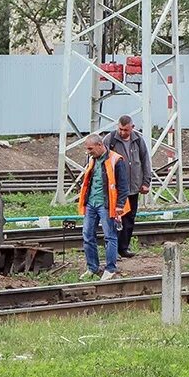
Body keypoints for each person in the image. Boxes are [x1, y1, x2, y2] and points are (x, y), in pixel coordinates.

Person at [77, 133, 131, 281]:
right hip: (91, 204)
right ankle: (92, 267)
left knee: (110, 236)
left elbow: (123, 186)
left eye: (90, 148)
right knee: (87, 235)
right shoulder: (91, 159)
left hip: (107, 205)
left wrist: (120, 205)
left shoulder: (116, 160)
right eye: (87, 149)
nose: (88, 151)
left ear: (100, 145)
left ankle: (110, 268)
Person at [104, 115, 151, 258]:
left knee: (129, 219)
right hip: (115, 188)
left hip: (133, 187)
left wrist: (146, 182)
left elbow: (145, 161)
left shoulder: (137, 140)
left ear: (132, 127)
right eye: (120, 129)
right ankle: (113, 249)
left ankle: (124, 248)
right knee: (115, 218)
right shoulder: (110, 139)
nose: (123, 132)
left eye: (126, 130)